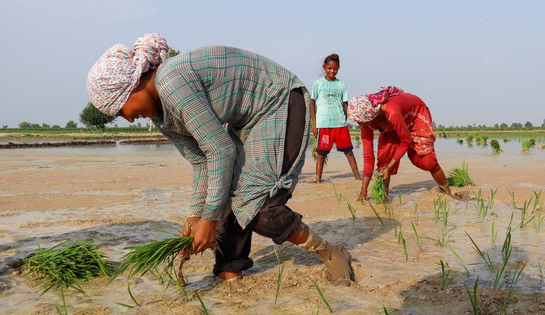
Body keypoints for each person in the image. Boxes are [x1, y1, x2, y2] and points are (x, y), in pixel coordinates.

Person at [86, 34, 354, 284]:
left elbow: (221, 151)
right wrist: (195, 217)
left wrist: (208, 221)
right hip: (246, 121)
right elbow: (202, 161)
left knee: (260, 208)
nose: (128, 118)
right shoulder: (161, 115)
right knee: (224, 198)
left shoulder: (171, 82)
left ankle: (330, 253)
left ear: (134, 87)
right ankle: (230, 273)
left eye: (121, 110)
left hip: (279, 102)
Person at [346, 87, 451, 200]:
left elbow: (406, 141)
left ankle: (446, 191)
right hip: (391, 122)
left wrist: (389, 167)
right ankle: (384, 197)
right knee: (384, 159)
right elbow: (368, 157)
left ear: (372, 116)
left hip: (414, 116)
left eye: (360, 121)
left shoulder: (391, 112)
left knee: (425, 161)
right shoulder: (365, 122)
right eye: (357, 121)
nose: (359, 124)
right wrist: (363, 191)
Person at [310, 53, 361, 183]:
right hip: (324, 124)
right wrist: (314, 125)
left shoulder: (341, 84)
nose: (332, 71)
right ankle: (318, 182)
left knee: (349, 152)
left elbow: (345, 104)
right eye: (329, 68)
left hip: (340, 124)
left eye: (335, 68)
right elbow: (312, 103)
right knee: (321, 155)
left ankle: (358, 179)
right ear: (324, 68)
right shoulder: (317, 84)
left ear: (338, 68)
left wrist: (351, 118)